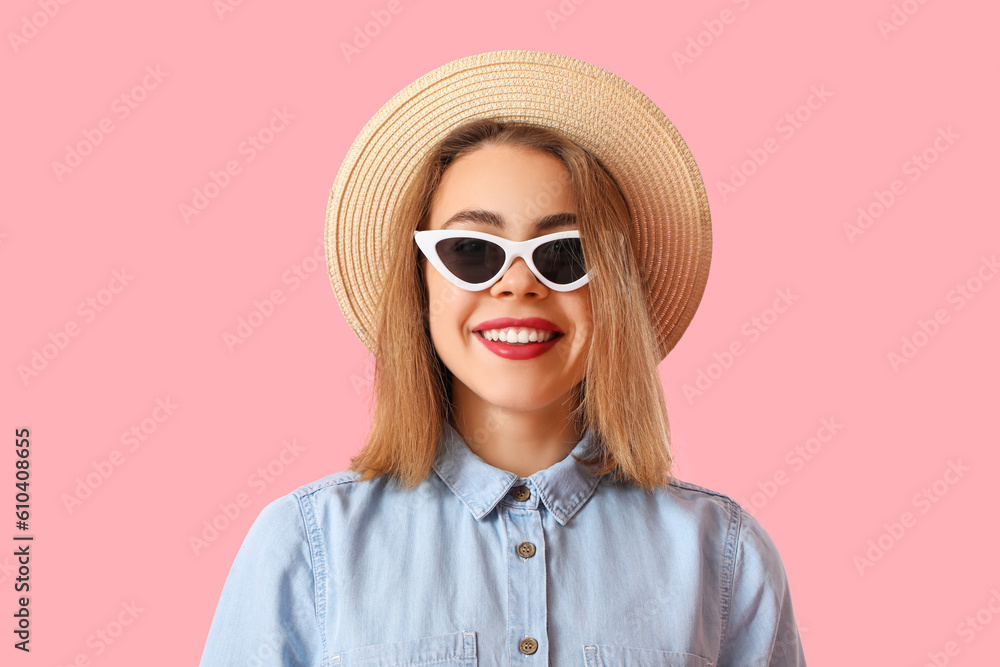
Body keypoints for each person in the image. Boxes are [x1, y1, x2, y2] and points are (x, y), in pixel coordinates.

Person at [199, 50, 806, 666]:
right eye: (471, 249)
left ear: (614, 291)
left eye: (564, 253)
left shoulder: (724, 558)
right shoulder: (304, 546)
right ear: (421, 283)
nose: (518, 285)